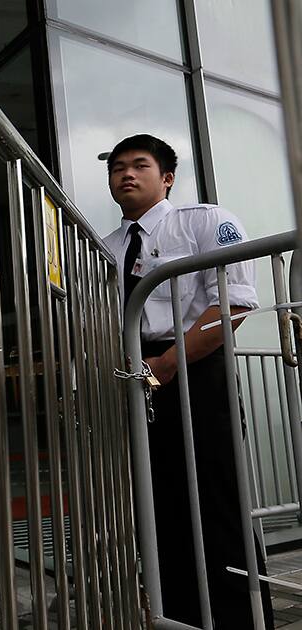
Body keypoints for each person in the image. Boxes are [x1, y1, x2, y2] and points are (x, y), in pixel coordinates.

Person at [103, 134, 273, 628]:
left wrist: (172, 362)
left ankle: (238, 617)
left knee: (215, 495)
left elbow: (234, 302)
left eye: (139, 165)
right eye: (117, 168)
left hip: (196, 367)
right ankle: (176, 615)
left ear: (167, 177)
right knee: (158, 500)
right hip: (137, 374)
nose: (126, 174)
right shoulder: (105, 248)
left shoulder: (203, 221)